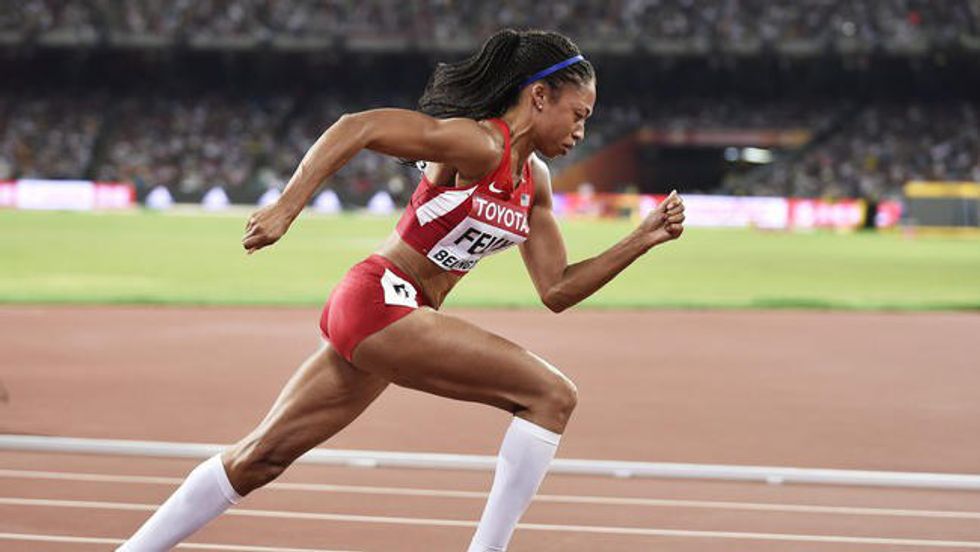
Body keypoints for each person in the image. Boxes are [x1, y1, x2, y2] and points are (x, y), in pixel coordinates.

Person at [118, 28, 685, 552]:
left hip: (395, 317)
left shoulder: (532, 181)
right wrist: (285, 208)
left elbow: (557, 288)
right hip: (379, 300)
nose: (582, 132)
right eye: (578, 114)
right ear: (539, 96)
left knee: (259, 459)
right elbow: (357, 127)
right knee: (551, 395)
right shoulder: (479, 146)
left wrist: (642, 239)